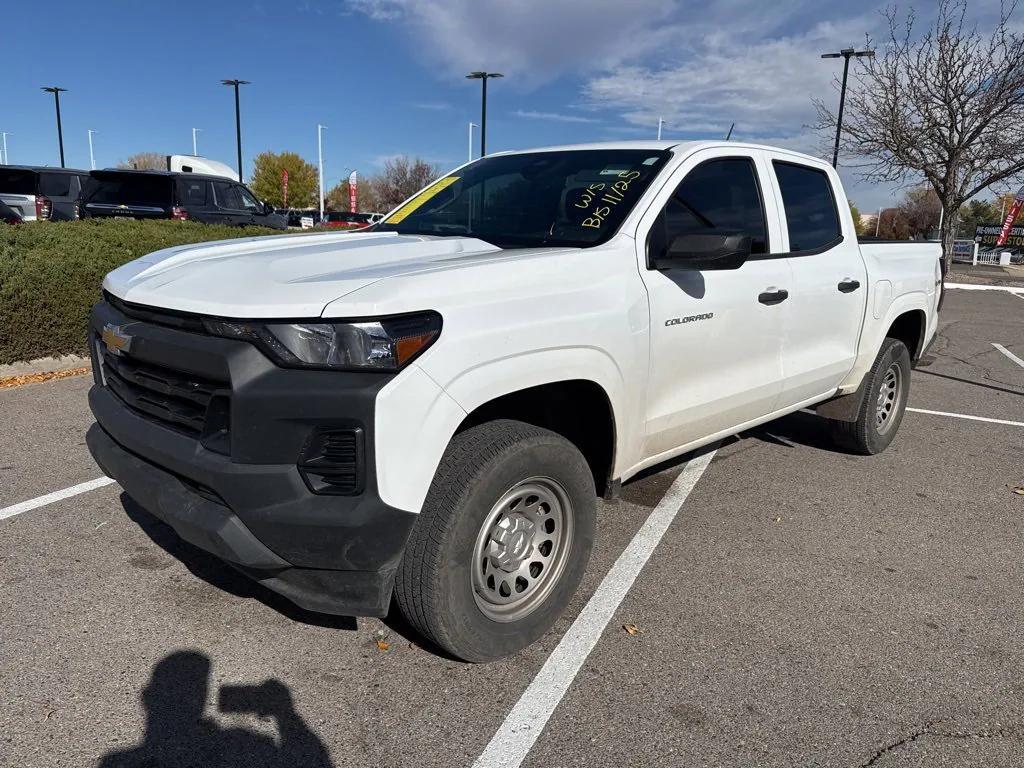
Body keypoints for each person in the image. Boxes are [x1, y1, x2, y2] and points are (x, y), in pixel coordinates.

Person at [99, 650, 332, 767]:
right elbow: (316, 759)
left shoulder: (114, 762)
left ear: (147, 697)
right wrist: (285, 714)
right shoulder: (253, 742)